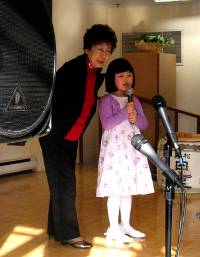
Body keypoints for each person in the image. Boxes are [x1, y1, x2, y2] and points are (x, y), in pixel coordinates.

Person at [39, 24, 117, 249]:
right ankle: (70, 235)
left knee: (59, 184)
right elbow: (52, 101)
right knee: (66, 185)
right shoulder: (72, 70)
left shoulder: (94, 73)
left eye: (108, 50)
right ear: (87, 49)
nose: (104, 54)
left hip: (71, 138)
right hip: (55, 136)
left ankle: (56, 229)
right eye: (99, 49)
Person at [96, 58, 154, 243]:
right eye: (121, 75)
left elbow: (144, 124)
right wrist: (124, 112)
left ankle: (126, 225)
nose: (126, 78)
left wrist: (135, 116)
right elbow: (107, 123)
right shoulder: (106, 100)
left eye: (129, 75)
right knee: (115, 190)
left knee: (127, 189)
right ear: (112, 78)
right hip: (115, 152)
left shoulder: (134, 99)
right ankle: (113, 228)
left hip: (132, 150)